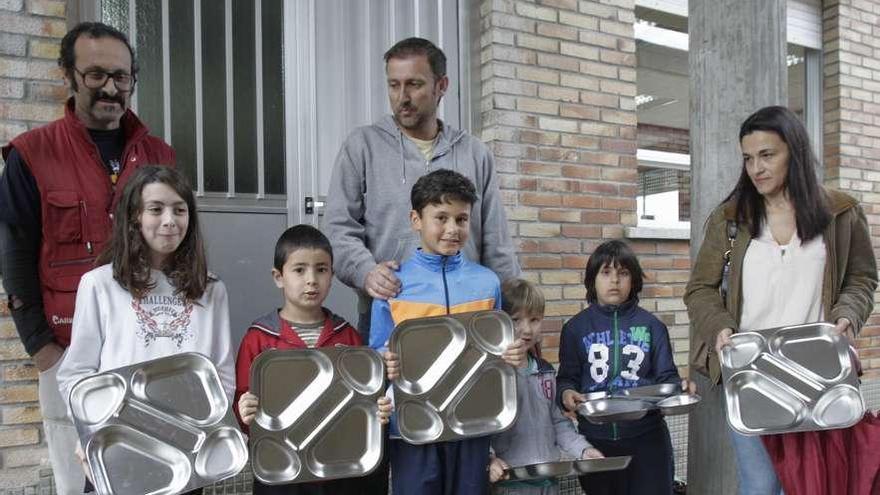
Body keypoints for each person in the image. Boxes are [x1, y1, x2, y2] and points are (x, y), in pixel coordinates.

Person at [0, 22, 174, 494]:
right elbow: (14, 254)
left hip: (148, 354)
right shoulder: (31, 155)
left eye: (122, 76)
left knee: (152, 476)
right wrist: (42, 349)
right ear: (68, 76)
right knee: (78, 481)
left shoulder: (159, 156)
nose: (111, 88)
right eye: (96, 74)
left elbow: (180, 251)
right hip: (66, 349)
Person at [684, 105, 878, 495]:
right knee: (760, 486)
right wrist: (718, 326)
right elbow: (699, 289)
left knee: (817, 486)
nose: (756, 168)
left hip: (819, 372)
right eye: (748, 158)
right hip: (750, 372)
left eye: (767, 155)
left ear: (795, 152)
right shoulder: (731, 219)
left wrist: (847, 316)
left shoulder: (841, 213)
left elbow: (861, 279)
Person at [324, 36, 519, 346]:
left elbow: (497, 241)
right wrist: (366, 272)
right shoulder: (362, 147)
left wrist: (516, 311)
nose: (402, 96)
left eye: (414, 84)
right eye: (393, 85)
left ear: (441, 85)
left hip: (470, 315)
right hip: (392, 313)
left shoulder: (474, 153)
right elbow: (337, 228)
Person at [55, 166, 229, 495]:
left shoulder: (212, 289)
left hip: (184, 452)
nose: (170, 220)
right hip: (119, 450)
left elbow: (221, 373)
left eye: (180, 210)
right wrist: (90, 434)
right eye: (156, 209)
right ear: (135, 216)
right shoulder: (99, 284)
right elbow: (76, 373)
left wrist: (206, 437)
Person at [368, 169, 525, 495]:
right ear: (416, 219)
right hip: (411, 428)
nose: (452, 229)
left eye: (461, 219)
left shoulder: (487, 282)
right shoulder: (394, 286)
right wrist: (385, 362)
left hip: (472, 425)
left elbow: (497, 352)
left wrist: (512, 355)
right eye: (441, 217)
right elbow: (376, 357)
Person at [234, 224, 393, 495]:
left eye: (321, 269)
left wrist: (379, 408)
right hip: (284, 470)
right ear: (278, 276)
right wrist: (244, 410)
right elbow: (243, 400)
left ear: (332, 275)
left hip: (341, 468)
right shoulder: (259, 339)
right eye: (299, 270)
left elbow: (366, 398)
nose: (311, 280)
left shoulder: (348, 336)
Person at [557, 240, 694, 495]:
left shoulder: (653, 326)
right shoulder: (575, 329)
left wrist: (680, 387)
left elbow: (667, 378)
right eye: (606, 273)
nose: (615, 281)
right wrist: (565, 394)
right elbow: (566, 379)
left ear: (633, 280)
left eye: (623, 273)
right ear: (592, 280)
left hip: (648, 439)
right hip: (597, 440)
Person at [488, 278, 604, 495]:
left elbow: (557, 422)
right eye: (515, 319)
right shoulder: (492, 373)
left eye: (534, 320)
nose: (526, 329)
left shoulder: (545, 371)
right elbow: (480, 425)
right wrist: (490, 458)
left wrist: (583, 450)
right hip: (508, 484)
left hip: (548, 483)